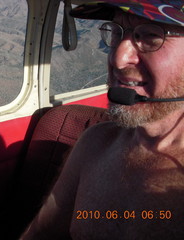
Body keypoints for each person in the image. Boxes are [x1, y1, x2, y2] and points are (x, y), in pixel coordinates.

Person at [20, 0, 184, 239]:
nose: (117, 59)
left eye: (150, 36)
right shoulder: (95, 142)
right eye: (117, 32)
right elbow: (40, 233)